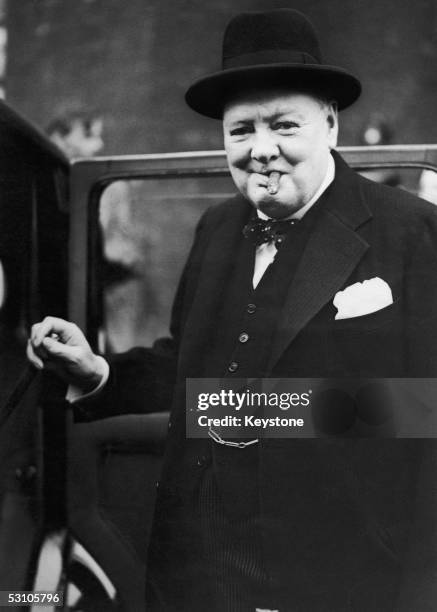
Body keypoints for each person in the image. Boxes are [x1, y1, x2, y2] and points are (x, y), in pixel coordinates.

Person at [27, 9, 437, 611]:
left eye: (284, 125)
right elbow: (188, 366)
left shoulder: (412, 233)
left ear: (330, 124)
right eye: (241, 130)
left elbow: (427, 411)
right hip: (204, 575)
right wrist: (101, 374)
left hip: (345, 576)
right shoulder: (217, 229)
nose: (262, 151)